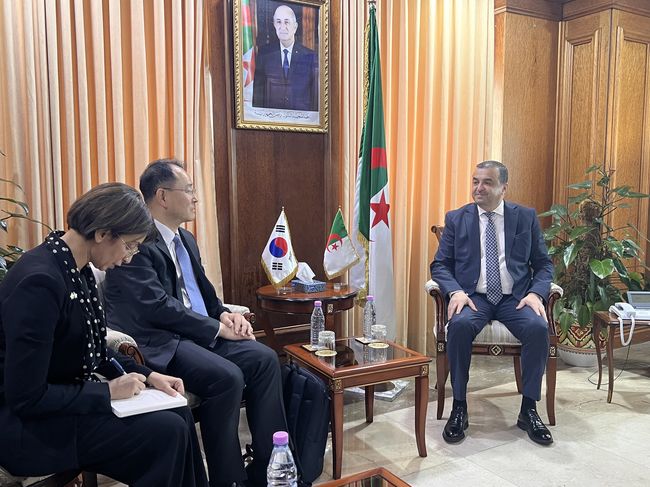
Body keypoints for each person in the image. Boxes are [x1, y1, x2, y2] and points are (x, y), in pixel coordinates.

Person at [0, 183, 208, 486]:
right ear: (102, 233)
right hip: (28, 427)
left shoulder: (76, 267)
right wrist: (107, 392)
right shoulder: (40, 282)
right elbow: (26, 398)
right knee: (166, 432)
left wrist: (150, 376)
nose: (129, 258)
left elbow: (95, 347)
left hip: (61, 407)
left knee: (178, 413)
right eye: (130, 245)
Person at [103, 159, 287, 487]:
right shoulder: (136, 241)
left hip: (195, 335)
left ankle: (270, 470)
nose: (195, 197)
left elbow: (203, 293)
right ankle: (229, 480)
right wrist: (217, 329)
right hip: (162, 341)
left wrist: (224, 314)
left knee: (264, 359)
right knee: (227, 377)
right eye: (188, 190)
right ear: (162, 196)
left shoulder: (185, 239)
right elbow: (158, 307)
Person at [430, 160, 554, 446]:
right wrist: (455, 292)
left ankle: (529, 409)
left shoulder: (525, 217)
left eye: (487, 182)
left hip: (515, 298)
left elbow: (544, 264)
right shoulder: (457, 218)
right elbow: (440, 265)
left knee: (538, 328)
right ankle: (459, 406)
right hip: (474, 298)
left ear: (503, 188)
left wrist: (535, 293)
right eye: (475, 181)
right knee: (459, 326)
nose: (479, 188)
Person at [252, 4, 318, 111]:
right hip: (271, 118)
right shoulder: (264, 55)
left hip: (301, 118)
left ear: (295, 27)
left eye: (287, 22)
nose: (282, 27)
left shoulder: (309, 56)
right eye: (278, 22)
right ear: (274, 25)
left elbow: (315, 99)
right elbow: (258, 96)